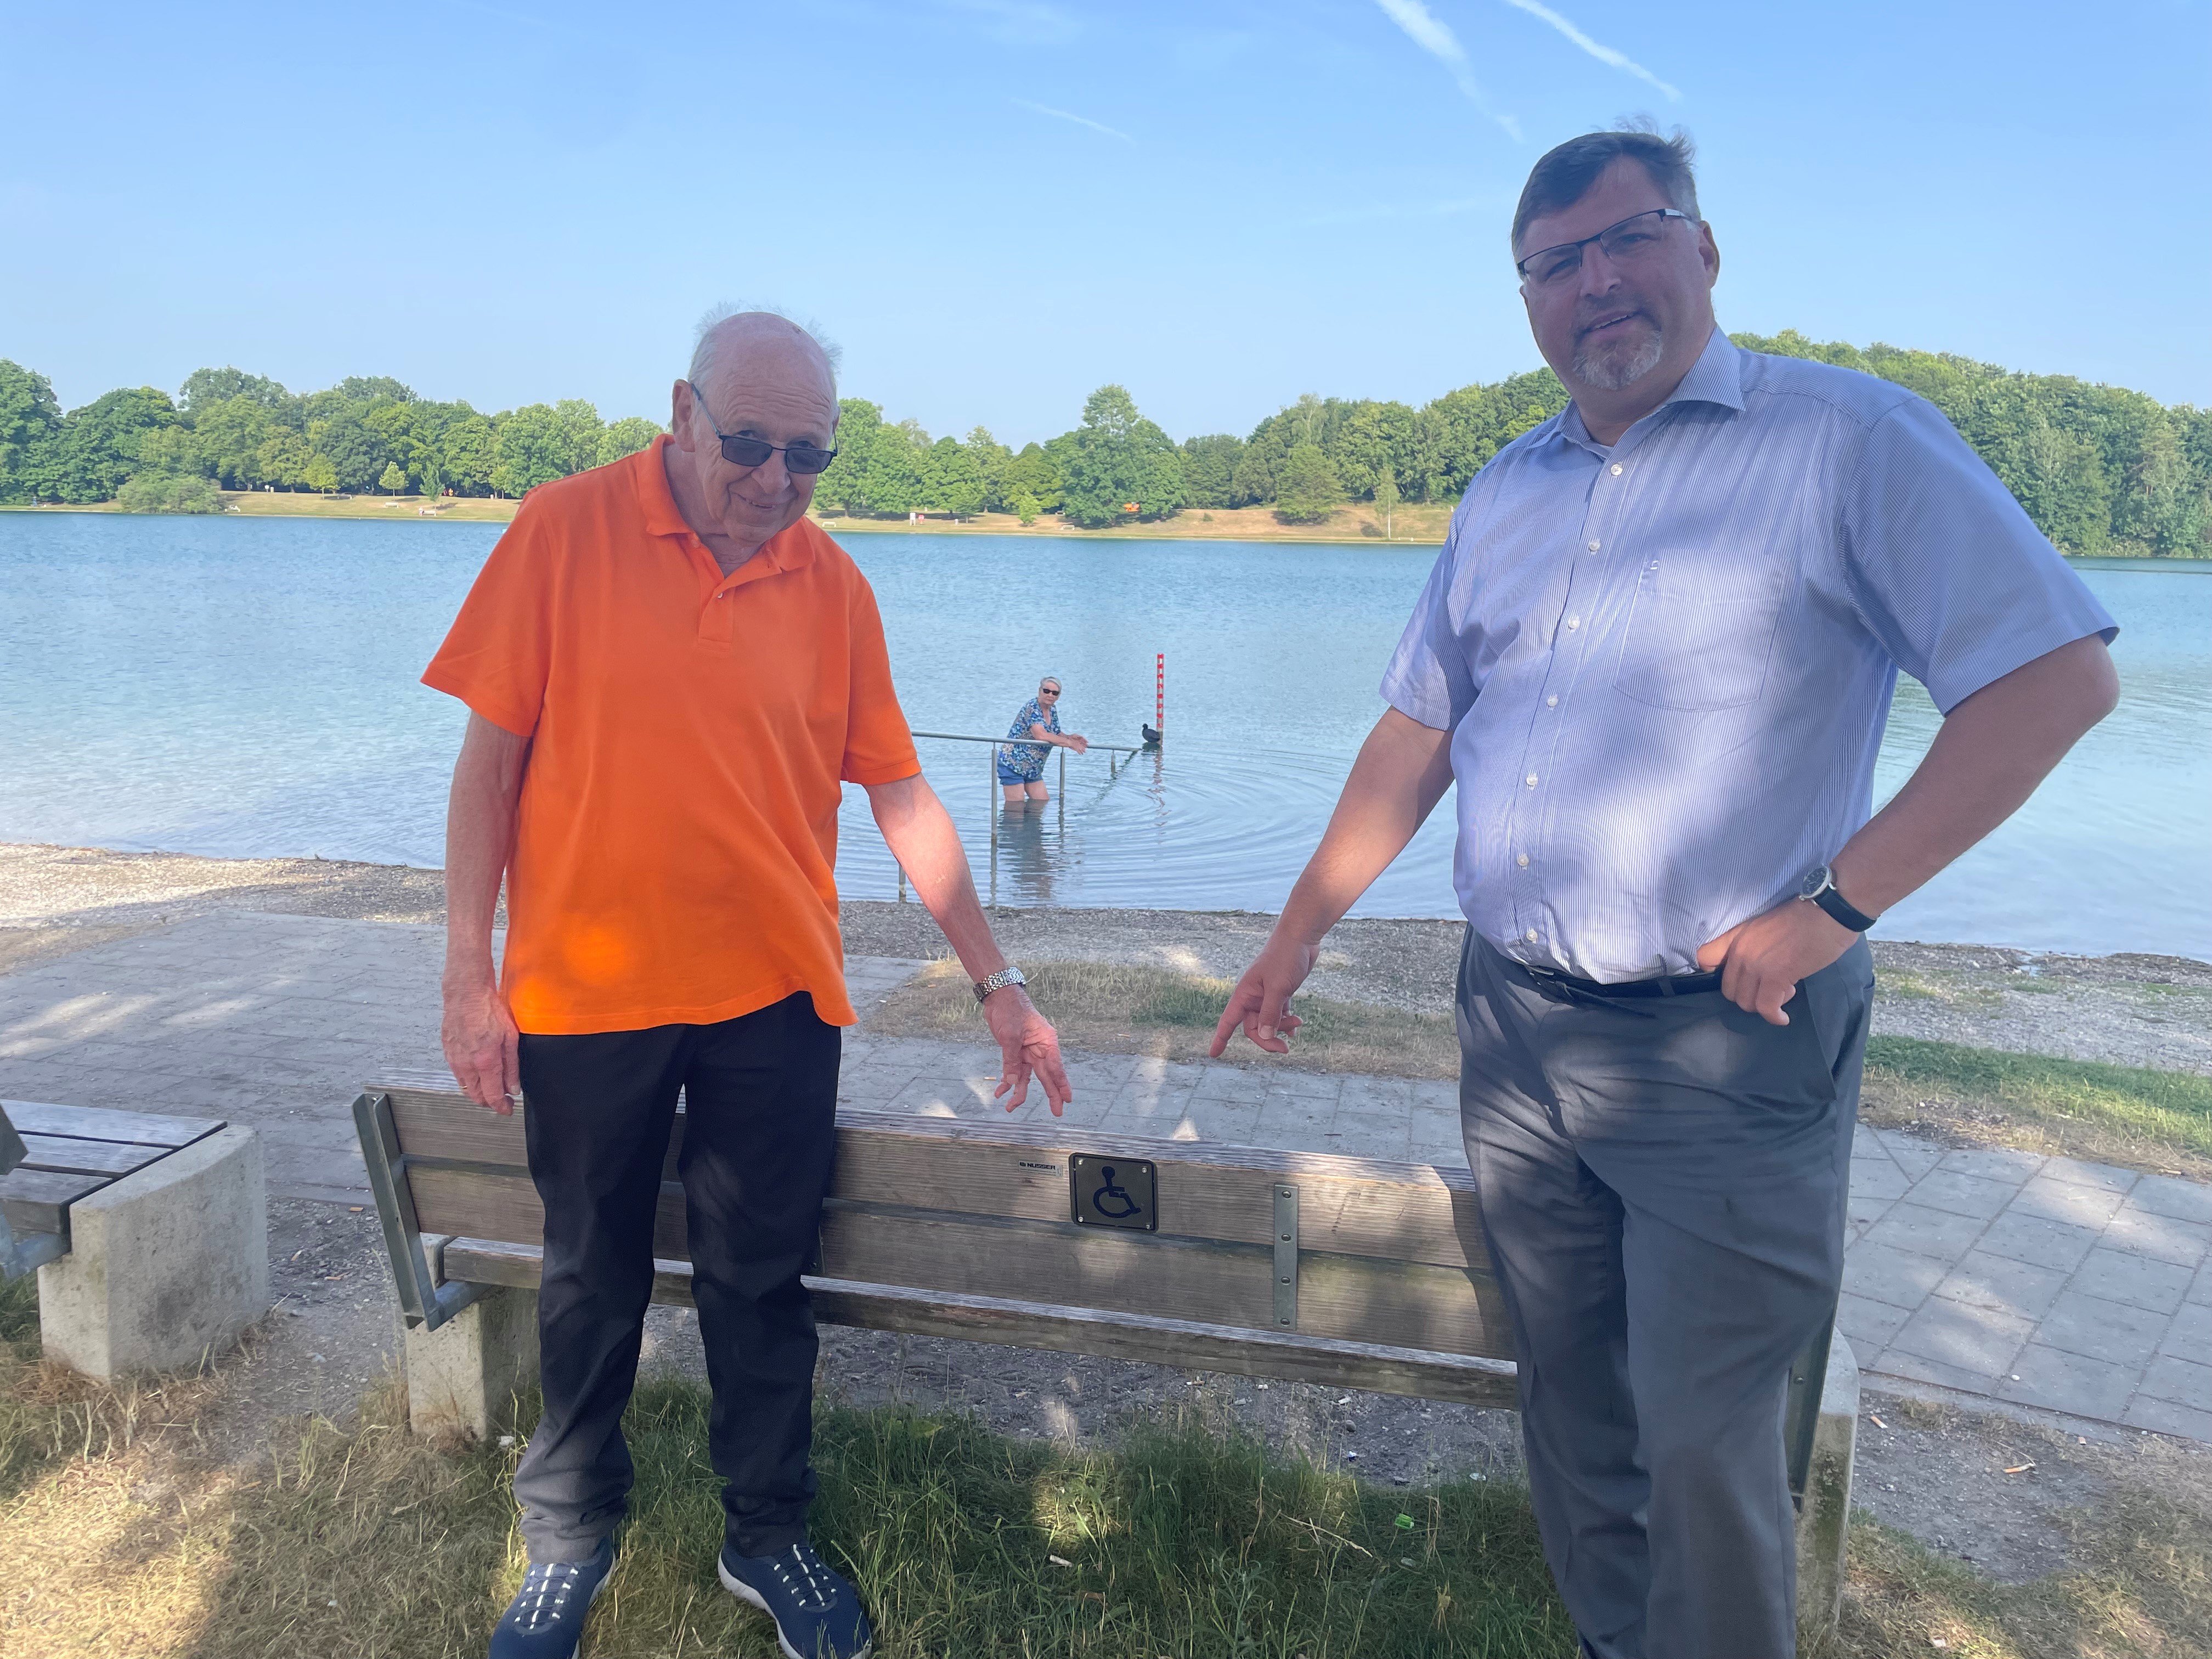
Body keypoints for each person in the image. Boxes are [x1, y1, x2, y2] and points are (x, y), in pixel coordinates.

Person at [1210, 129, 2118, 1659]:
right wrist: (1294, 937)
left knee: (1710, 1450)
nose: (1597, 283)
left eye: (1631, 238)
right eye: (1554, 263)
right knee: (1577, 1415)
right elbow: (1418, 733)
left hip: (1723, 1044)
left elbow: (2056, 682)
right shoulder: (1507, 489)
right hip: (1512, 1029)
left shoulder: (1851, 441)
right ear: (1526, 299)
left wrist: (1835, 908)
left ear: (1705, 251)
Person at [427, 310, 1073, 1659]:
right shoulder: (560, 532)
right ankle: (568, 1536)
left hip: (775, 999)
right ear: (682, 411)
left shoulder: (832, 585)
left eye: (811, 456)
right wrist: (465, 975)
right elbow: (487, 774)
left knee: (761, 1281)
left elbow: (899, 789)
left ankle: (766, 1532)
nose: (778, 481)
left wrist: (998, 983)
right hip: (584, 993)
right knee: (587, 1273)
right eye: (752, 447)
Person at [996, 676, 1087, 803]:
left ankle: (1030, 823)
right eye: (1047, 691)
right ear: (1040, 691)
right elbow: (1041, 735)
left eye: (1055, 693)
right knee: (1016, 811)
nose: (1050, 695)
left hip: (1033, 767)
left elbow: (1054, 733)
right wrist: (1069, 744)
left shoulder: (1052, 710)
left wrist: (1069, 737)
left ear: (1058, 696)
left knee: (1042, 803)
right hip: (1013, 763)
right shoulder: (1032, 708)